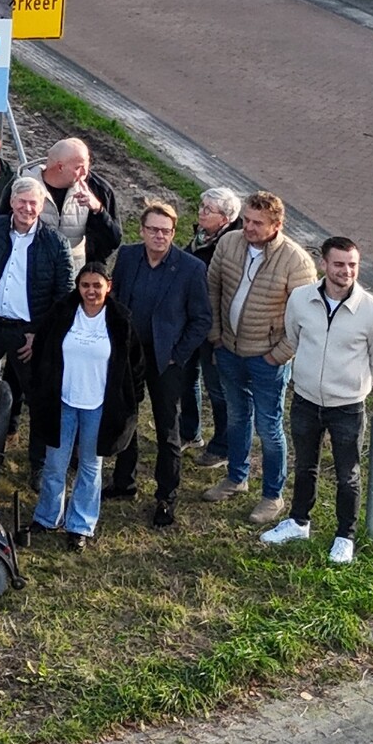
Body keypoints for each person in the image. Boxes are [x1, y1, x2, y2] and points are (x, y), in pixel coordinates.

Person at [261, 237, 373, 565]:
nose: (346, 271)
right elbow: (294, 337)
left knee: (346, 472)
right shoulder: (301, 299)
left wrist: (355, 386)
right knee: (305, 464)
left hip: (347, 407)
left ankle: (344, 536)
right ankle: (298, 522)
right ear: (324, 264)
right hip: (306, 399)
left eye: (352, 265)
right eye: (339, 264)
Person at [204, 191, 320, 525]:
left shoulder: (296, 262)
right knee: (237, 418)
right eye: (246, 221)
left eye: (258, 223)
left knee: (268, 427)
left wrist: (277, 356)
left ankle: (272, 495)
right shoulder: (229, 244)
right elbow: (212, 288)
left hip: (267, 359)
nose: (249, 228)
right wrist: (216, 335)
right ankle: (236, 478)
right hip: (229, 350)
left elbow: (304, 319)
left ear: (276, 225)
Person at [109, 199, 211, 526]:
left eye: (165, 231)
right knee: (126, 418)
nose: (159, 236)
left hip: (166, 359)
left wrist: (177, 354)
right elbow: (116, 299)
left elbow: (201, 319)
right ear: (141, 230)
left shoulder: (191, 268)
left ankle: (166, 496)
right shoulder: (127, 257)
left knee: (167, 428)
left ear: (173, 233)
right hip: (129, 354)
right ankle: (124, 482)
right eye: (152, 230)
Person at [27, 265, 142, 549]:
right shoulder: (62, 314)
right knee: (55, 464)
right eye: (85, 285)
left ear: (108, 286)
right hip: (62, 401)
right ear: (78, 287)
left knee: (90, 466)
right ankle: (47, 517)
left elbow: (135, 365)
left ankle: (80, 525)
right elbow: (42, 349)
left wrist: (130, 399)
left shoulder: (120, 320)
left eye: (96, 286)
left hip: (99, 405)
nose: (91, 292)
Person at [0, 177, 75, 475]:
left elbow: (65, 295)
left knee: (38, 396)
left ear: (42, 206)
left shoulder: (56, 243)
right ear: (12, 203)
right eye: (22, 201)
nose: (27, 208)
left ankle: (38, 465)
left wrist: (41, 335)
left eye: (34, 203)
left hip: (28, 334)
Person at [185, 185, 243, 467]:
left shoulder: (231, 244)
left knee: (216, 387)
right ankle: (189, 431)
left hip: (214, 326)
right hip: (190, 320)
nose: (201, 212)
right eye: (201, 205)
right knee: (186, 377)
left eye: (208, 209)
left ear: (226, 218)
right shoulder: (201, 236)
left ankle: (222, 446)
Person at [27, 138, 121, 276]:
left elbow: (113, 240)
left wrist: (98, 210)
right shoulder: (24, 186)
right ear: (60, 167)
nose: (85, 173)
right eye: (78, 167)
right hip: (30, 274)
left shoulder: (98, 190)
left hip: (72, 279)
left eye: (87, 165)